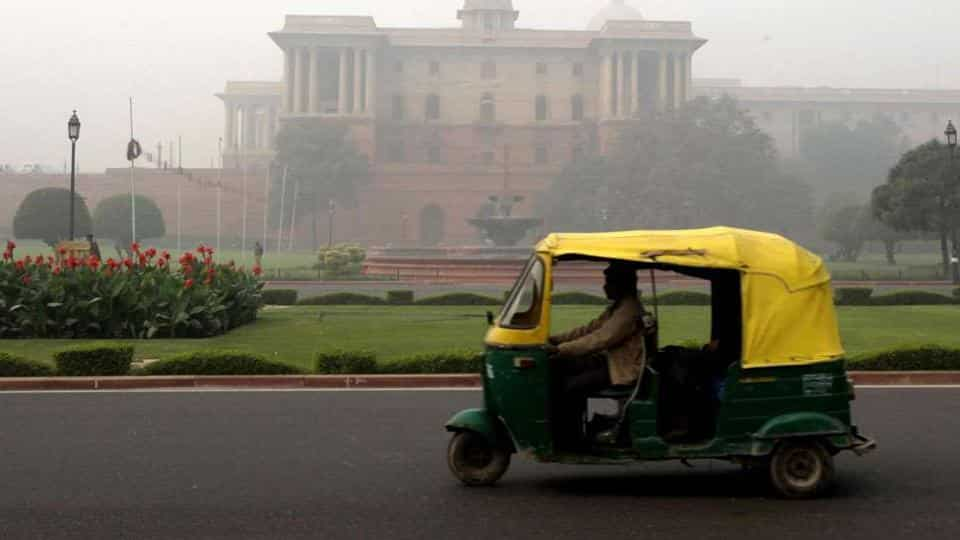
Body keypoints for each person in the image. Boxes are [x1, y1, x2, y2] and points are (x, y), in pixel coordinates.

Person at [547, 262, 653, 447]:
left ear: (623, 284)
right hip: (611, 363)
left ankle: (571, 438)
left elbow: (600, 339)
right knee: (558, 368)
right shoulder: (618, 308)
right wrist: (554, 339)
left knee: (571, 387)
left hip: (623, 370)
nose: (604, 287)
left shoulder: (629, 311)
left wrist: (560, 349)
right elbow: (588, 329)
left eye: (609, 282)